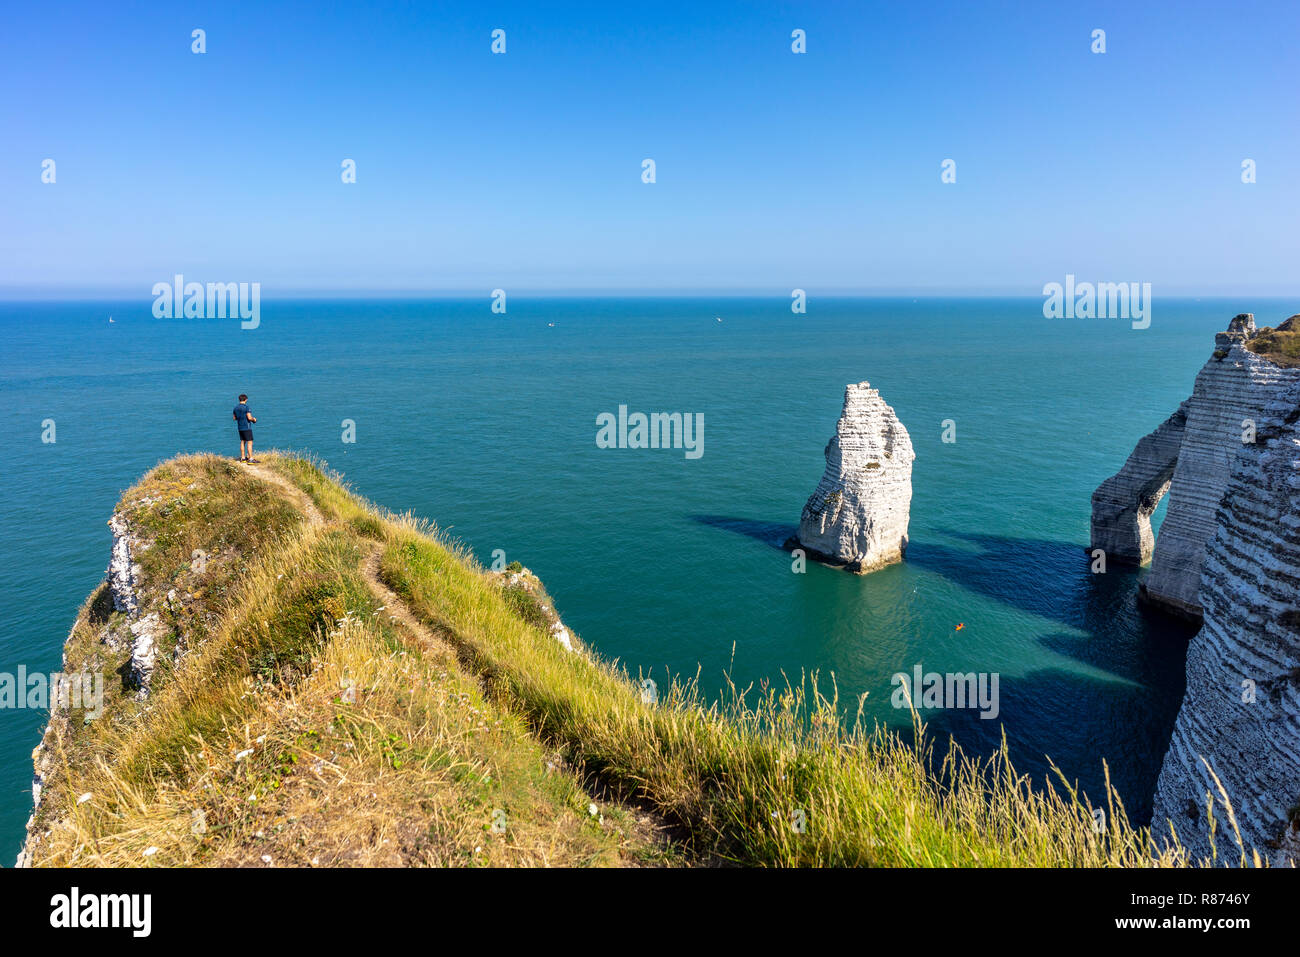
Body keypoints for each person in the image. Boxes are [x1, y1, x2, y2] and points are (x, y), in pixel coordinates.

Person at [233, 394, 258, 462]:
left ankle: (243, 458)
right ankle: (250, 459)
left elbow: (234, 418)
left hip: (240, 427)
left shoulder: (235, 408)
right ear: (246, 399)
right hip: (247, 427)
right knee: (250, 442)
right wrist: (254, 419)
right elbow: (249, 418)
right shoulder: (246, 407)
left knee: (242, 441)